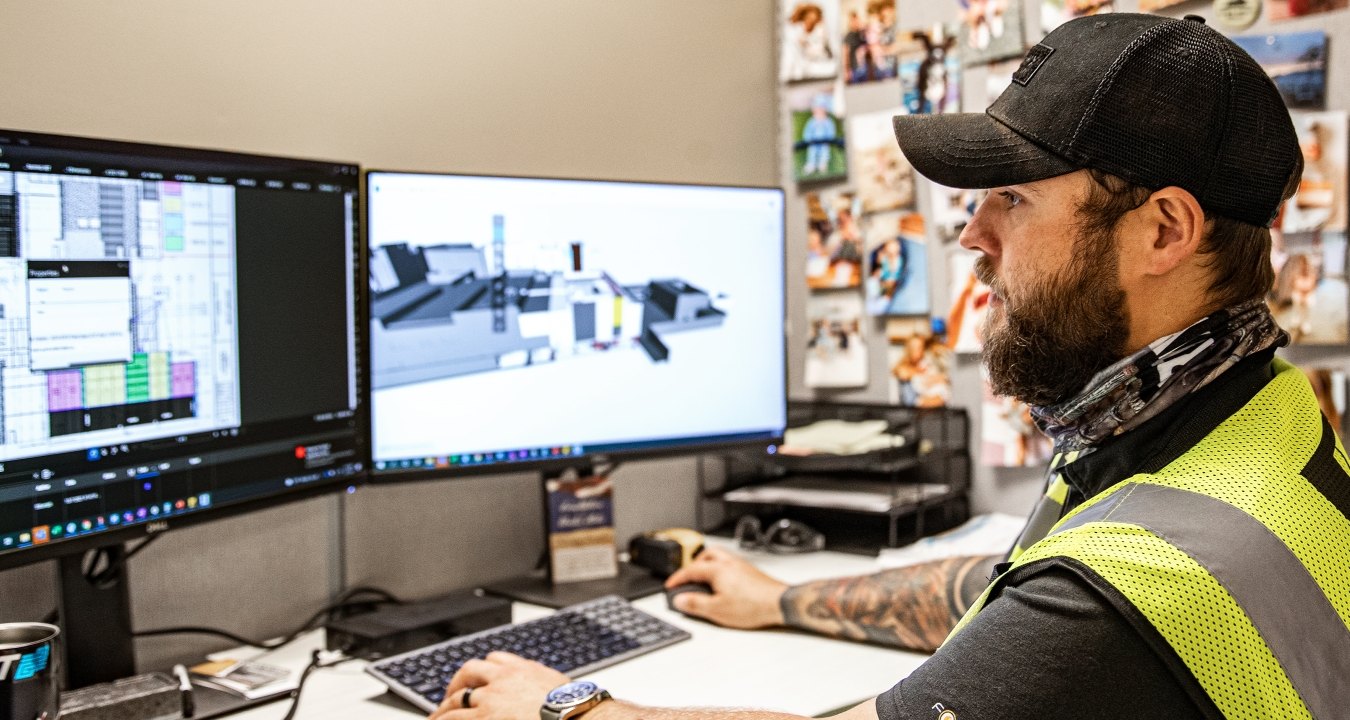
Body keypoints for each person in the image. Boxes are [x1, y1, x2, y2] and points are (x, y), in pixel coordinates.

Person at [430, 14, 1348, 720]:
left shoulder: (1145, 582)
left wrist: (564, 706)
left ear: (1164, 230)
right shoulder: (1255, 409)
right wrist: (785, 599)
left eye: (1013, 198)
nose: (971, 235)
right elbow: (1007, 587)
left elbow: (1063, 612)